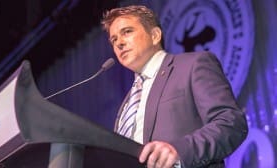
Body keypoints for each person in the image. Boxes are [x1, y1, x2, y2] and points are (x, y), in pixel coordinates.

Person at [101, 5, 248, 168]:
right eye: (113, 39)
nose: (119, 43)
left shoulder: (193, 65)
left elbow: (231, 123)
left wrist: (179, 151)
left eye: (127, 32)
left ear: (155, 35)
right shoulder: (127, 104)